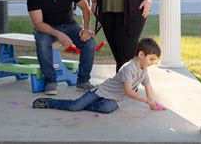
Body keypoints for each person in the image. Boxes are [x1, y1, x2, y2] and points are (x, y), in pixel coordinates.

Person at [32, 38, 163, 113]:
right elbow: (128, 91)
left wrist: (152, 102)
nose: (152, 63)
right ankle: (50, 103)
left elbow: (147, 86)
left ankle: (86, 105)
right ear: (141, 55)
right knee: (75, 106)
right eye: (151, 59)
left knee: (106, 109)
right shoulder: (129, 68)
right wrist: (146, 100)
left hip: (115, 99)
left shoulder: (144, 69)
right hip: (102, 91)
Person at [27, 0, 96, 95]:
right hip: (46, 28)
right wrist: (58, 34)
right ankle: (50, 81)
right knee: (42, 42)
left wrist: (86, 29)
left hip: (70, 26)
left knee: (89, 42)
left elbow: (85, 8)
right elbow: (38, 23)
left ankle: (83, 81)